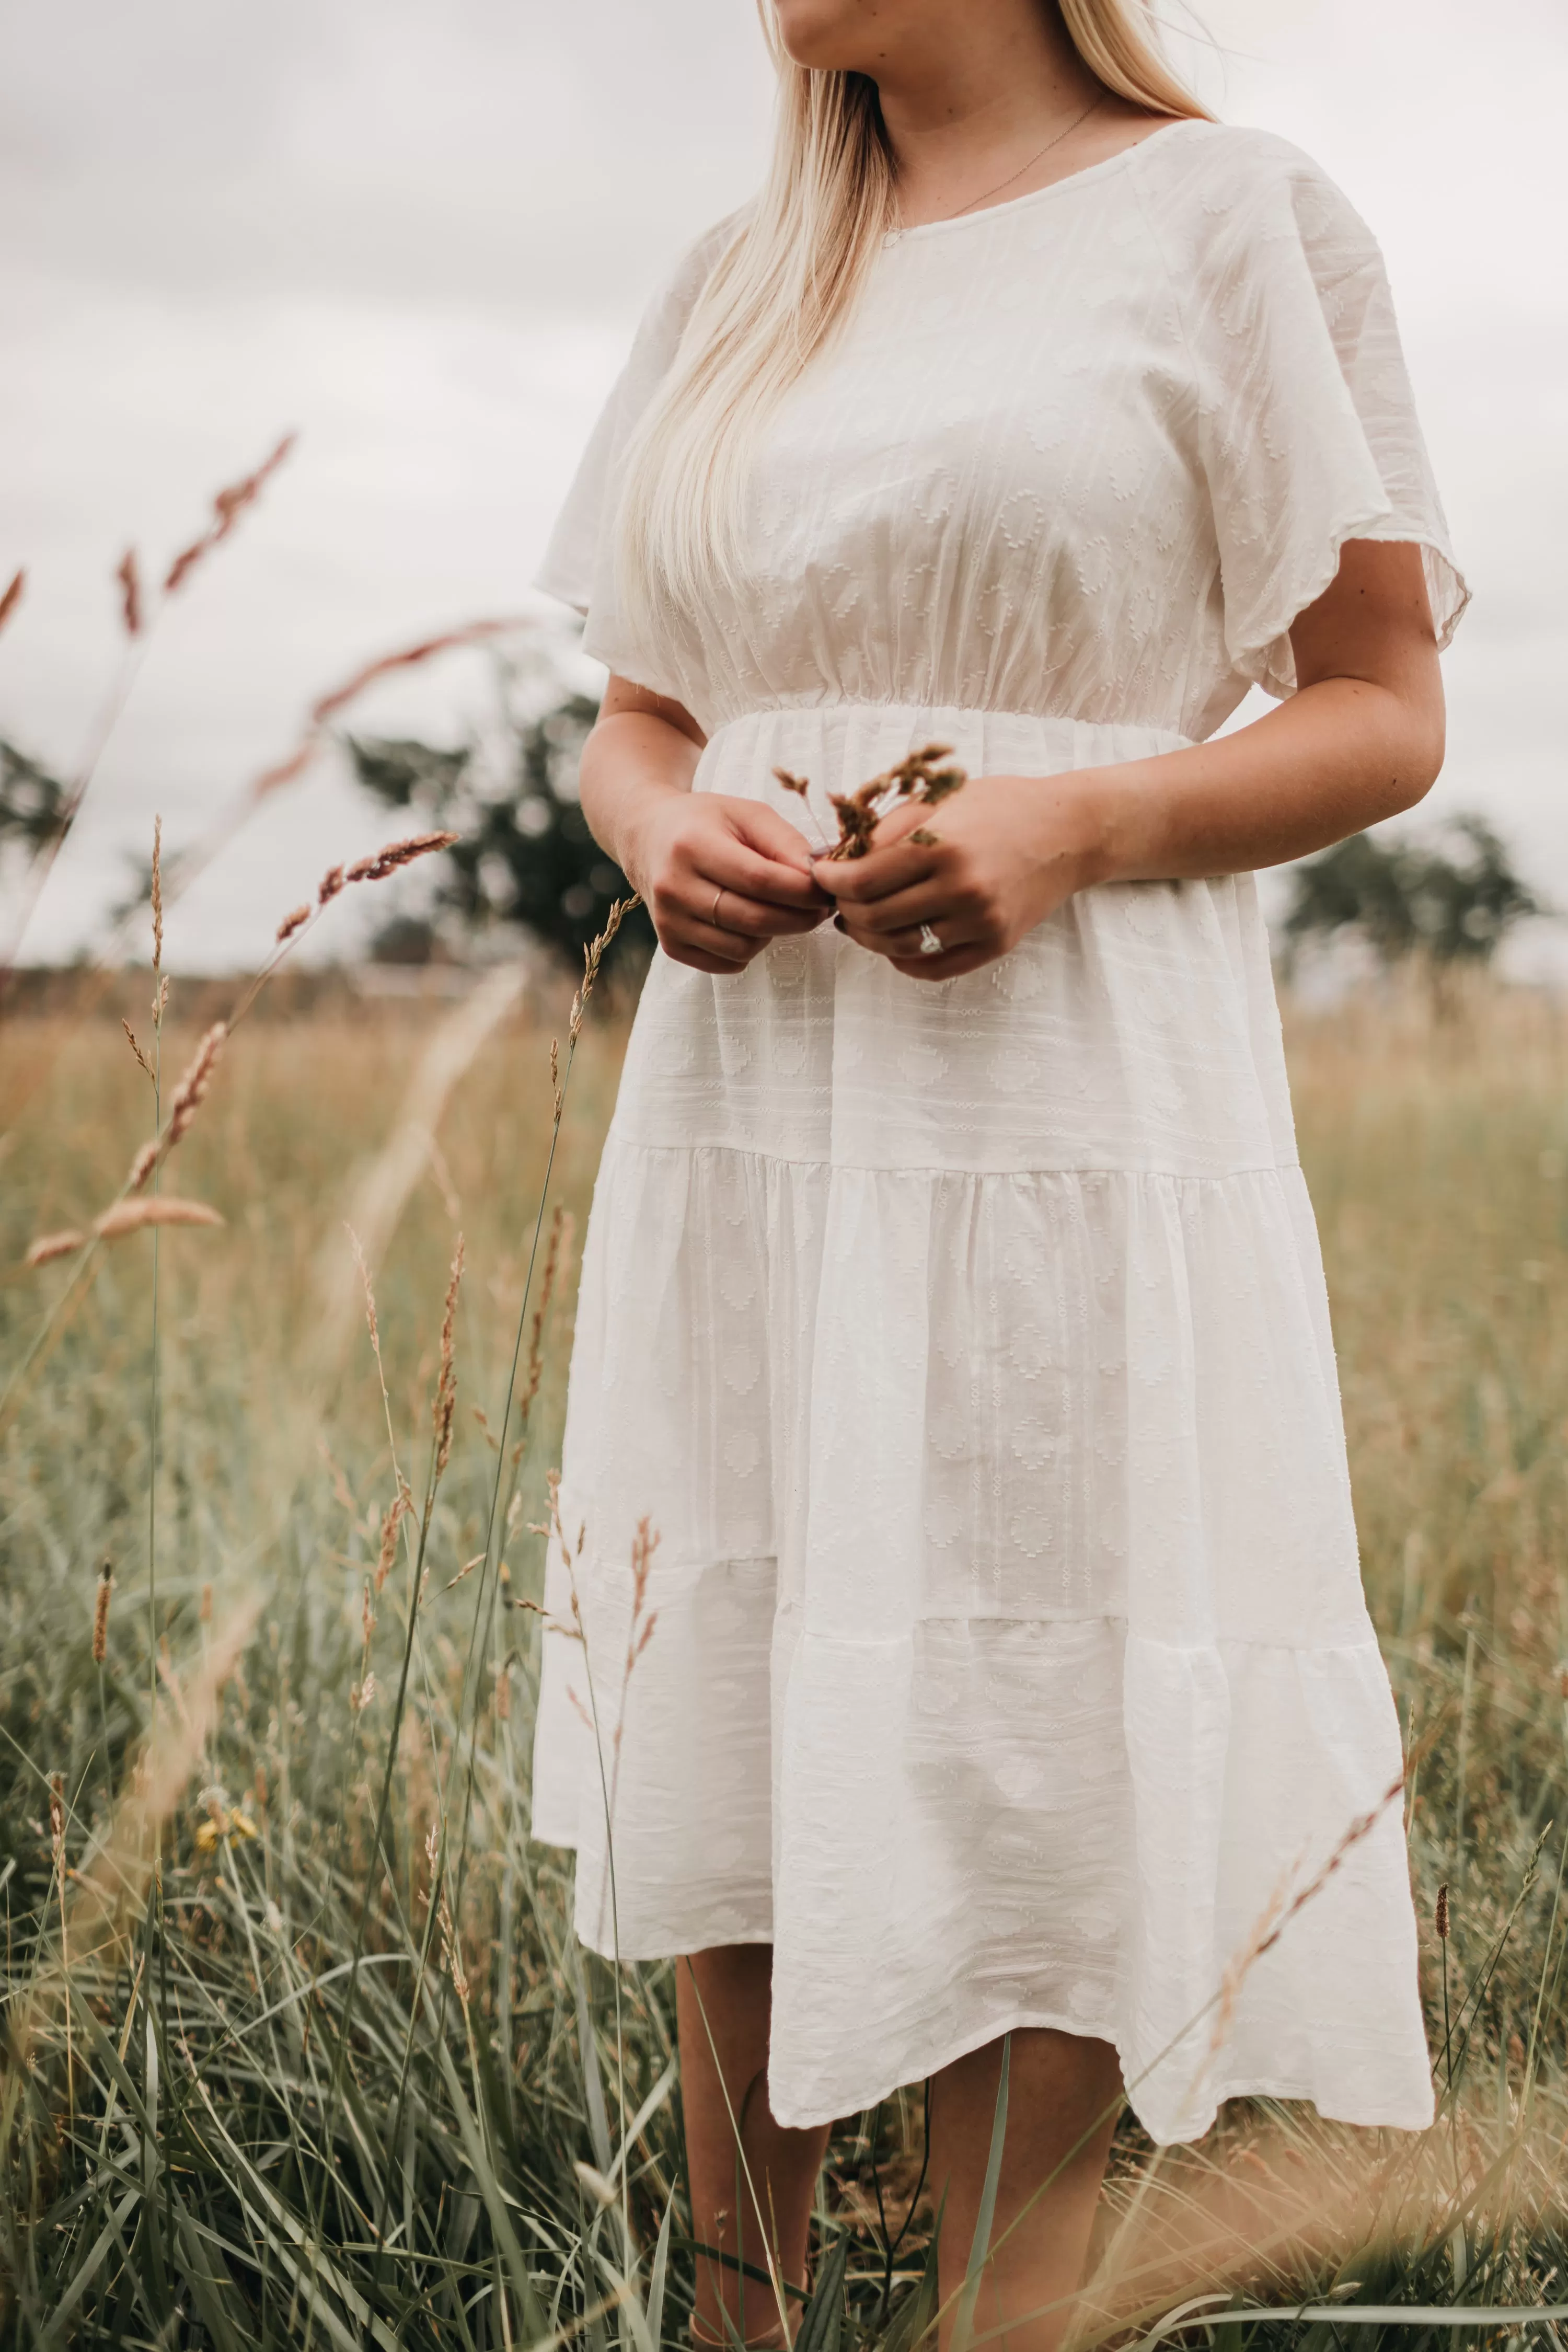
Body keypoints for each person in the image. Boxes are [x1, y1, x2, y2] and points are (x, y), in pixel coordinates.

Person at [529, 2, 1465, 2344]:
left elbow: (1382, 702)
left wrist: (1075, 818)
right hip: (753, 1109)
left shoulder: (1235, 219)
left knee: (1031, 1689)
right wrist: (661, 827)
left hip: (1062, 1094)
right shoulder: (744, 271)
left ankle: (1000, 2325)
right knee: (738, 1657)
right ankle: (732, 2319)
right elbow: (637, 707)